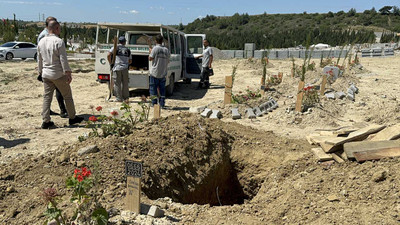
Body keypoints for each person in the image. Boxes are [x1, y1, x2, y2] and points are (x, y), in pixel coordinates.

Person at [37, 20, 84, 129]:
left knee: (47, 97)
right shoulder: (59, 41)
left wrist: (40, 72)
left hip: (46, 74)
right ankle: (72, 118)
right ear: (56, 28)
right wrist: (68, 72)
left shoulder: (41, 41)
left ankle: (46, 120)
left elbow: (39, 60)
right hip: (58, 74)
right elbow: (63, 59)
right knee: (67, 96)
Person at [37, 16, 68, 118]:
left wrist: (40, 71)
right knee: (59, 92)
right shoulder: (47, 37)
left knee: (48, 95)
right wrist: (66, 71)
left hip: (46, 70)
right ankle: (63, 111)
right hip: (54, 70)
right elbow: (42, 56)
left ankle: (47, 116)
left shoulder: (43, 36)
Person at [107, 36, 131, 102]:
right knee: (125, 83)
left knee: (117, 83)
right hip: (125, 68)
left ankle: (119, 98)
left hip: (117, 67)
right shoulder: (127, 50)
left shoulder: (115, 48)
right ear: (125, 42)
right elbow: (130, 61)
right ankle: (126, 98)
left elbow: (108, 55)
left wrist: (111, 63)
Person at [148, 34, 170, 108]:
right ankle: (162, 104)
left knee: (153, 89)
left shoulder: (155, 48)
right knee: (162, 89)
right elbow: (168, 60)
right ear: (162, 41)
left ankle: (153, 104)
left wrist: (150, 52)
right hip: (163, 72)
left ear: (155, 41)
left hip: (155, 72)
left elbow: (150, 58)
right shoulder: (166, 50)